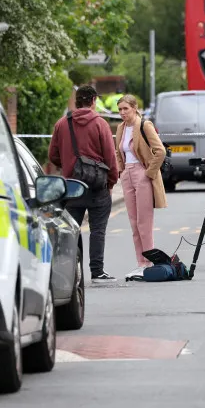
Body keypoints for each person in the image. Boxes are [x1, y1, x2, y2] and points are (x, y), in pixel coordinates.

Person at [49, 85, 119, 282]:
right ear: (93, 101)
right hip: (97, 186)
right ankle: (97, 272)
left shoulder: (62, 124)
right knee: (98, 230)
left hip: (72, 186)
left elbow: (52, 155)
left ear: (77, 101)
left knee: (70, 230)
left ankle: (68, 274)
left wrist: (69, 165)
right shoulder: (100, 124)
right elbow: (109, 157)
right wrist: (111, 181)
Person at [114, 95, 168, 276]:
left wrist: (148, 173)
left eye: (125, 109)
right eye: (120, 109)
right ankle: (141, 263)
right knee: (134, 223)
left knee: (144, 223)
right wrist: (121, 170)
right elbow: (118, 151)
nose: (122, 113)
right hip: (127, 174)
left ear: (135, 108)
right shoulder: (121, 127)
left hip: (142, 172)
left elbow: (160, 151)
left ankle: (150, 262)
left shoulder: (144, 125)